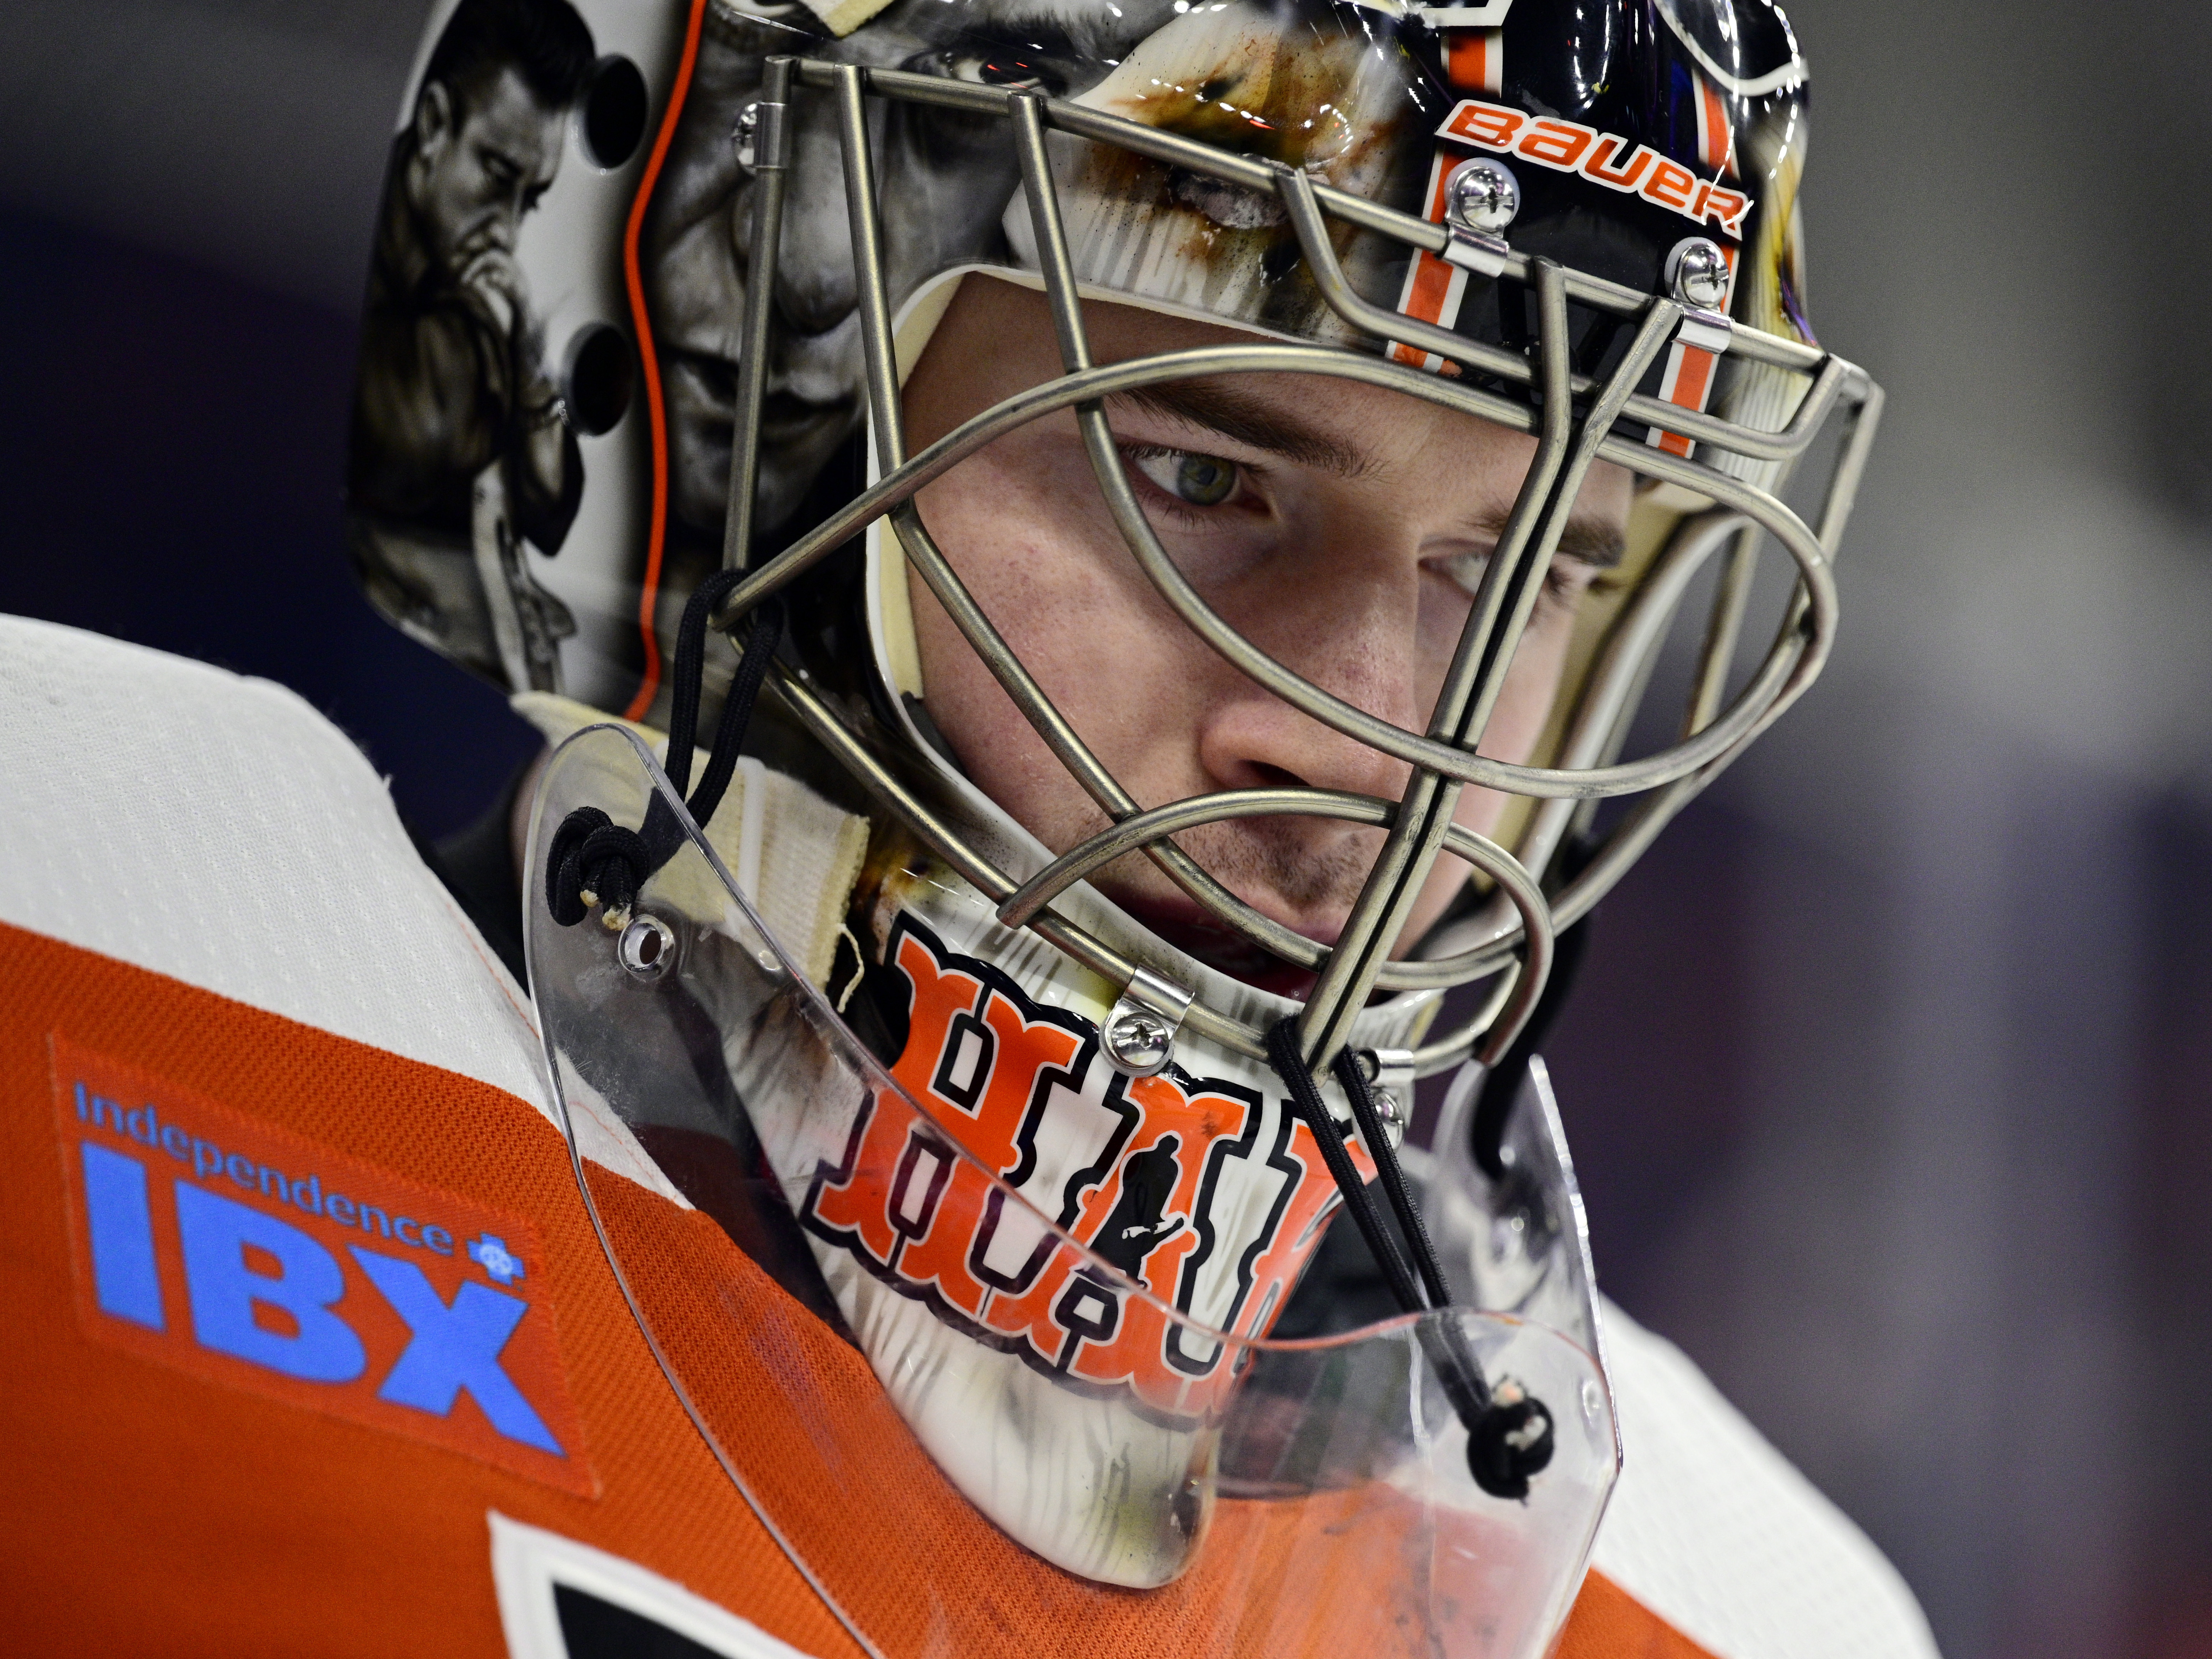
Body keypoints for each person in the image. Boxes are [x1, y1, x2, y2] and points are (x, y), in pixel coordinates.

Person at [1, 0, 1939, 1654]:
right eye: (1200, 470)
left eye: (1514, 570)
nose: (1372, 745)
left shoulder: (1718, 1603)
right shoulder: (72, 933)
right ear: (720, 413)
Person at [348, 0, 596, 689]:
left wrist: (529, 372)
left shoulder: (483, 291)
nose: (509, 229)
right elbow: (418, 451)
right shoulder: (354, 258)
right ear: (432, 126)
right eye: (495, 174)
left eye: (532, 199)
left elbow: (551, 516)